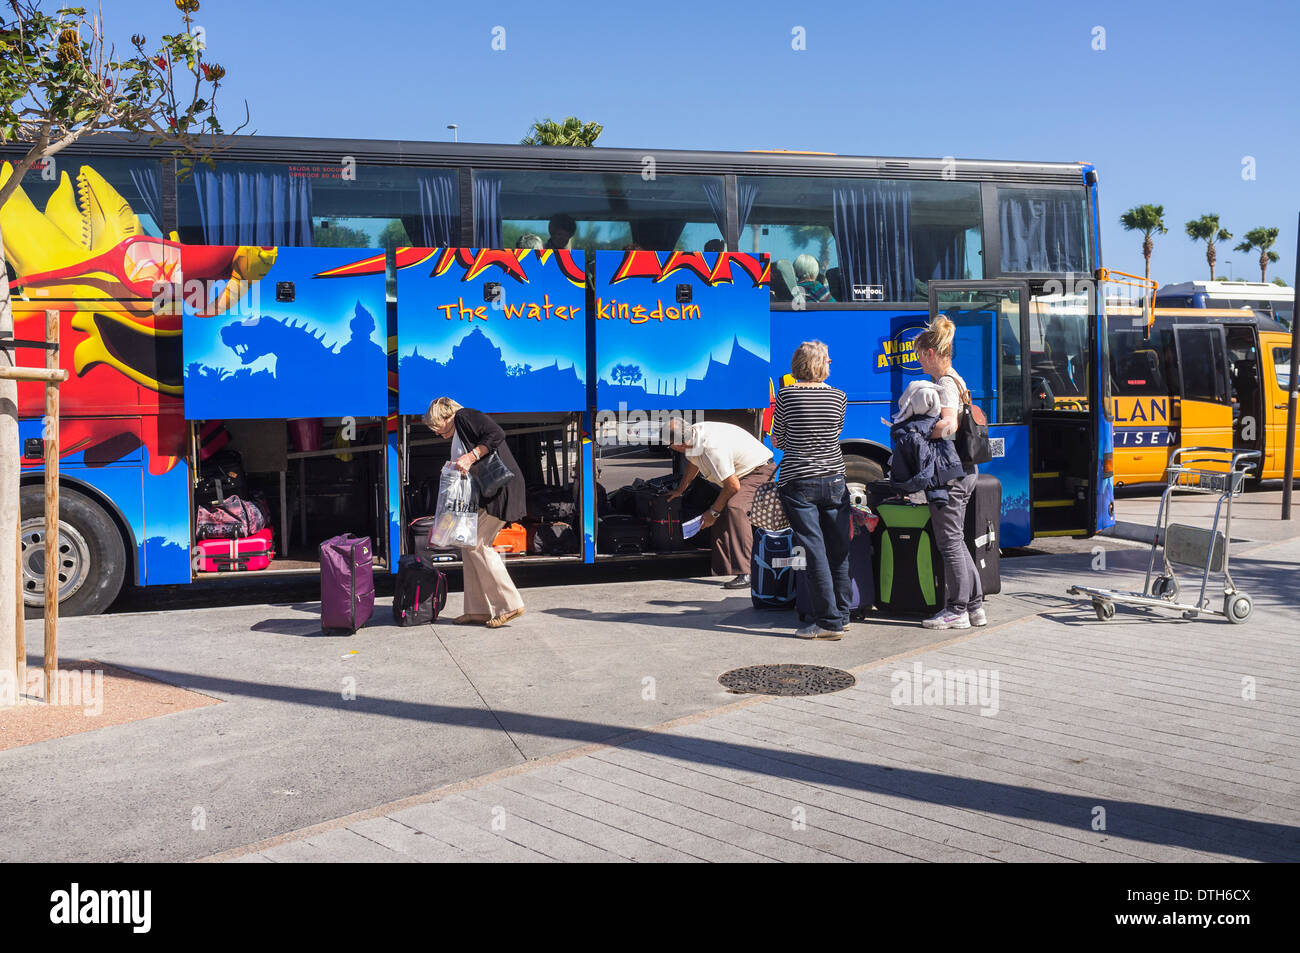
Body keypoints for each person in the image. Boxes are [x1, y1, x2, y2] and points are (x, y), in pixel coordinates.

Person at [424, 397, 526, 628]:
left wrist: (470, 457)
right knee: (468, 545)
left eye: (435, 426)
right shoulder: (459, 428)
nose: (436, 432)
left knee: (478, 544)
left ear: (444, 416)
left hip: (502, 489)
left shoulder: (465, 416)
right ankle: (477, 609)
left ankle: (510, 604)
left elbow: (497, 433)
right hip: (491, 490)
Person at [771, 340, 850, 639]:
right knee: (838, 549)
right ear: (819, 364)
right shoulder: (839, 397)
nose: (831, 364)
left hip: (799, 481)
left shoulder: (786, 395)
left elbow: (777, 438)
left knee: (814, 551)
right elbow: (836, 433)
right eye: (828, 360)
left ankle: (828, 623)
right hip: (834, 479)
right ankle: (843, 615)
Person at [914, 316, 985, 630]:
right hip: (965, 470)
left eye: (919, 354)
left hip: (950, 473)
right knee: (957, 540)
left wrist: (920, 435)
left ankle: (957, 610)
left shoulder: (944, 383)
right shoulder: (956, 379)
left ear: (931, 354)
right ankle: (975, 606)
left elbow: (949, 425)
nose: (917, 360)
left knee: (949, 542)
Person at [665, 418, 775, 589]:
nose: (671, 449)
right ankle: (725, 571)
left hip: (758, 472)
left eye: (669, 445)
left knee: (734, 507)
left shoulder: (710, 447)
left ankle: (747, 572)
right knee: (719, 515)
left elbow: (732, 486)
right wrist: (681, 489)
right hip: (740, 474)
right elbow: (694, 464)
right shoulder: (691, 435)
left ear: (678, 445)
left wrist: (713, 512)